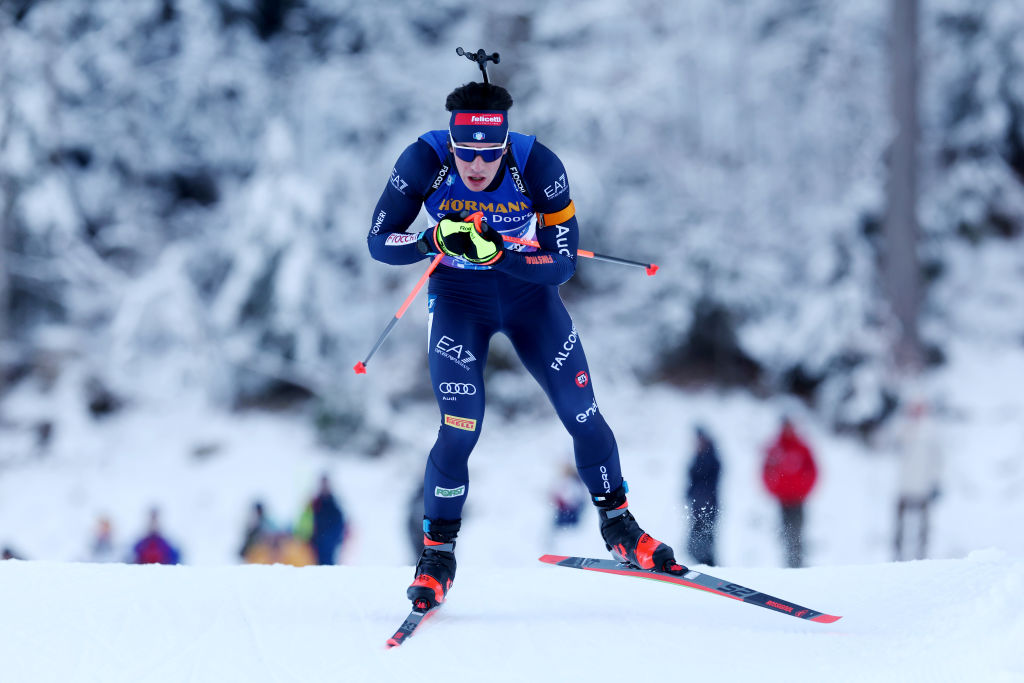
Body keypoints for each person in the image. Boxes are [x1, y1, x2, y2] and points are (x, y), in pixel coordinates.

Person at [367, 78, 684, 610]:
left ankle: (620, 526)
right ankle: (437, 556)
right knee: (460, 424)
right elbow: (380, 241)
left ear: (504, 145)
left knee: (582, 412)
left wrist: (500, 255)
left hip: (529, 298)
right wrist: (429, 239)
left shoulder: (538, 165)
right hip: (457, 303)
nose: (475, 165)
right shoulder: (423, 160)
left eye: (488, 154)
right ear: (451, 141)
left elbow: (562, 263)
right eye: (465, 152)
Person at [762, 417, 818, 568]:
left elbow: (813, 471)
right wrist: (774, 490)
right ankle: (788, 564)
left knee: (797, 533)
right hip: (782, 500)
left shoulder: (801, 447)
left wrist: (804, 490)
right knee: (785, 533)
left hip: (798, 500)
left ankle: (798, 565)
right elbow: (766, 471)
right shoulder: (776, 447)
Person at [893, 400, 943, 561]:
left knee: (923, 526)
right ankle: (898, 555)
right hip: (904, 486)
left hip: (923, 487)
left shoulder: (931, 432)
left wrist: (936, 481)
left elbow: (938, 460)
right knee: (900, 525)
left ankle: (922, 555)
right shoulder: (903, 429)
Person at [685, 425, 722, 566]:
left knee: (705, 539)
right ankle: (706, 565)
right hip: (697, 505)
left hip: (708, 505)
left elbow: (708, 481)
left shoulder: (710, 457)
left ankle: (710, 566)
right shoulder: (699, 456)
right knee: (695, 542)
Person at [296, 474, 346, 565]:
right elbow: (304, 520)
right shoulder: (314, 502)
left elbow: (339, 525)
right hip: (314, 544)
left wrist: (332, 539)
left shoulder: (334, 504)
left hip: (329, 545)